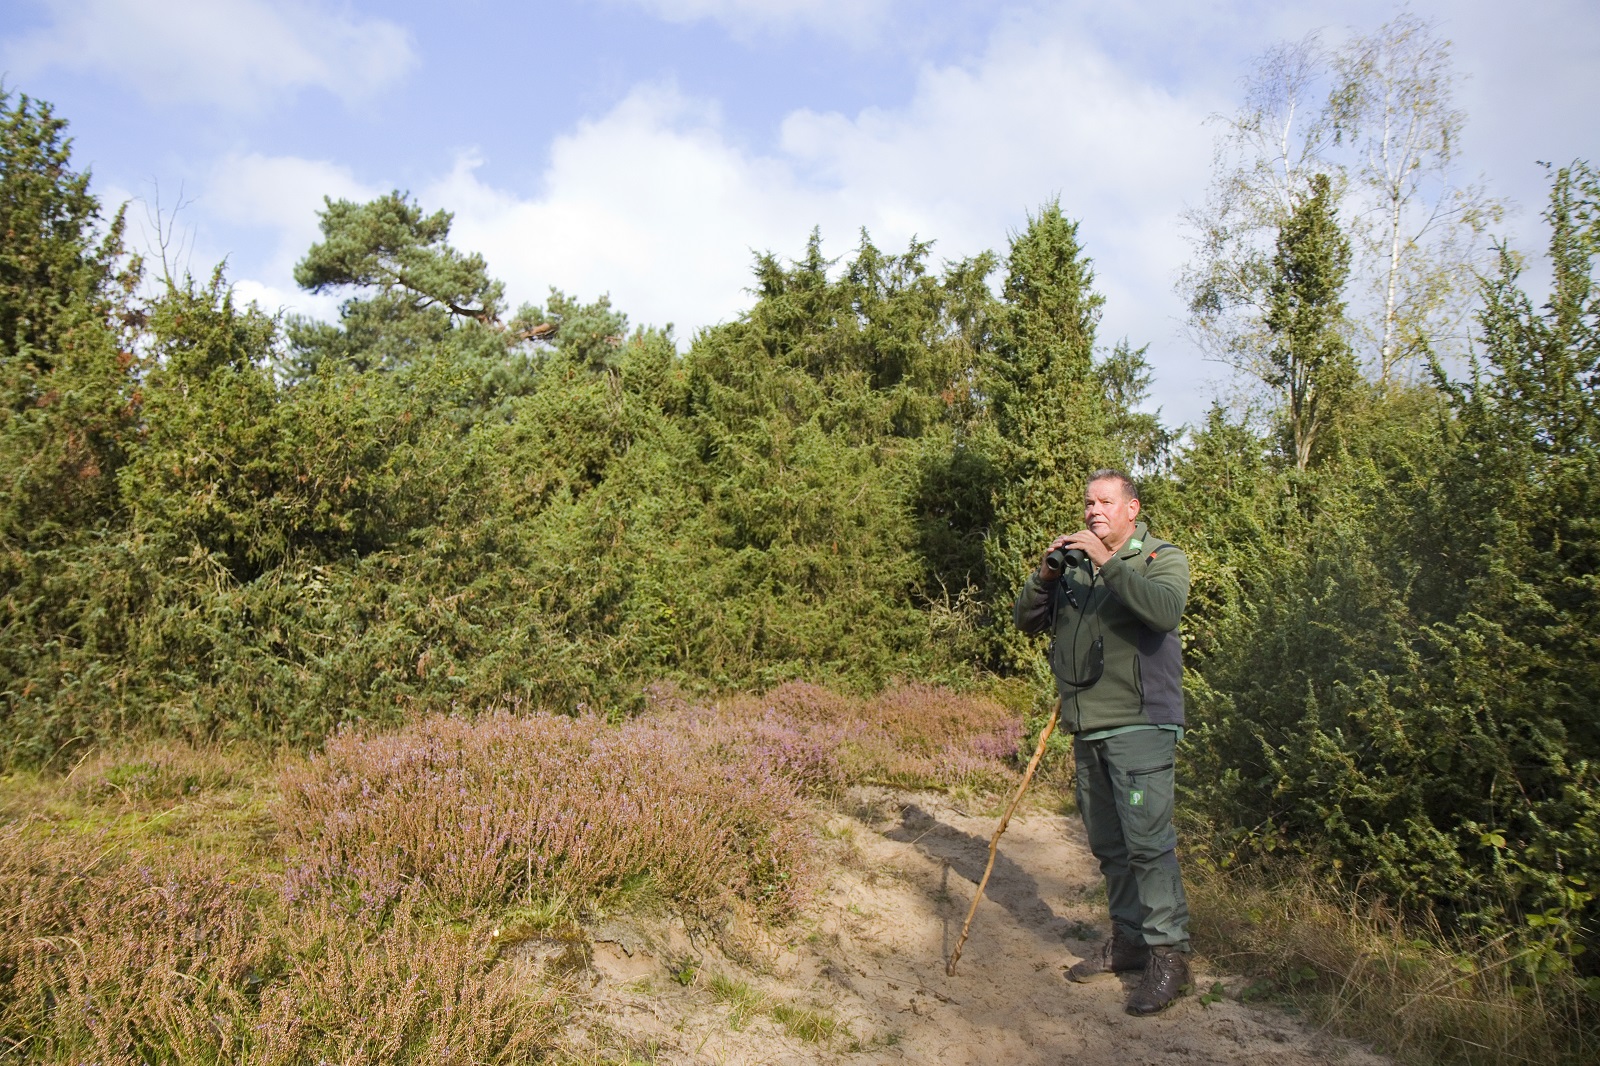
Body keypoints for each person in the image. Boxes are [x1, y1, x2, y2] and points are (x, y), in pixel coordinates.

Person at [1012, 468, 1193, 1016]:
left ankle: (1170, 955)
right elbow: (1026, 622)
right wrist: (1045, 576)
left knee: (1147, 841)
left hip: (1140, 724)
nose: (1093, 510)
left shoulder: (1161, 559)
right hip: (1086, 725)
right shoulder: (1074, 570)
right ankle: (1130, 941)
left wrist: (1107, 561)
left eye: (1105, 502)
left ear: (1131, 509)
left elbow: (1164, 612)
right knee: (1110, 844)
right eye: (1088, 502)